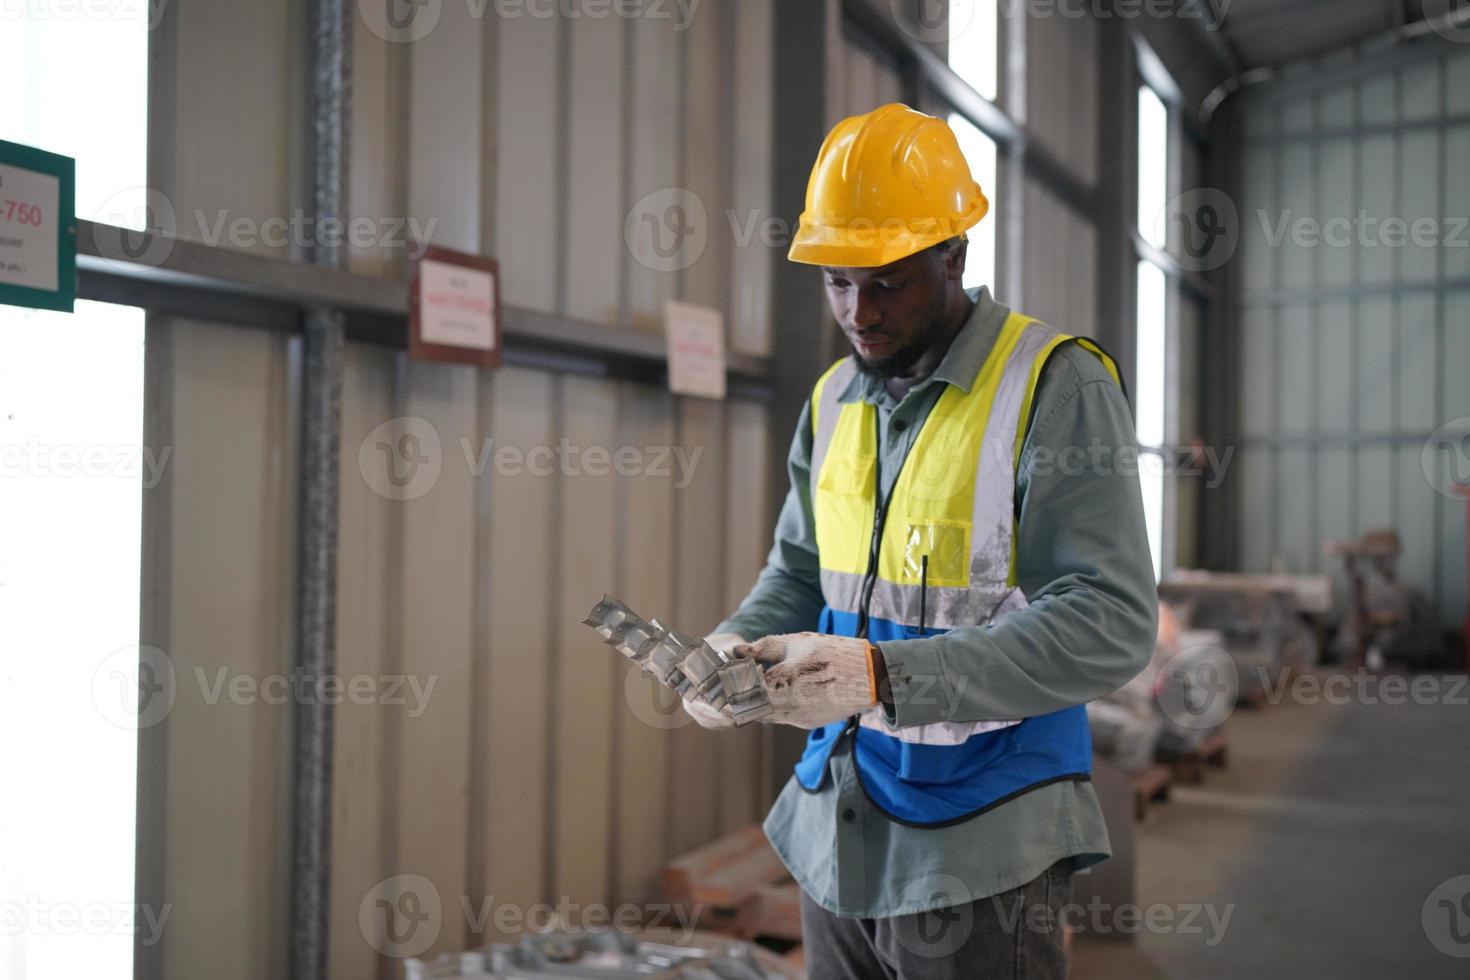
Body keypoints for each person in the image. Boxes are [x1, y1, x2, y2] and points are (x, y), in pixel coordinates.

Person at [683, 103, 1158, 979]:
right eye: (836, 283)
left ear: (954, 255)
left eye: (888, 282)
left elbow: (1109, 620)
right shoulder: (832, 399)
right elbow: (798, 572)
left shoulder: (1055, 387)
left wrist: (884, 677)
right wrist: (728, 648)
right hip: (838, 821)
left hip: (983, 841)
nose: (858, 313)